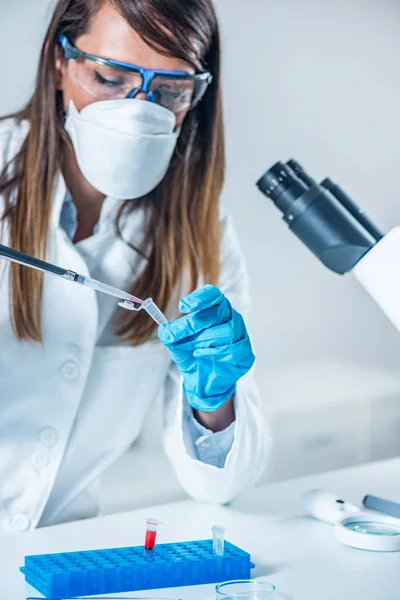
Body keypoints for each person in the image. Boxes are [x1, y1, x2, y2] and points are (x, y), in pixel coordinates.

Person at [0, 0, 269, 533]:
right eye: (109, 77)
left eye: (170, 91)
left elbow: (221, 485)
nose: (138, 109)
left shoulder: (199, 232)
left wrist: (213, 403)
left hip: (60, 548)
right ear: (60, 63)